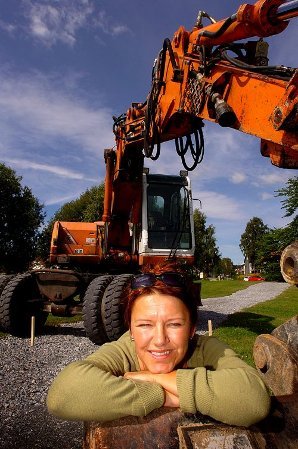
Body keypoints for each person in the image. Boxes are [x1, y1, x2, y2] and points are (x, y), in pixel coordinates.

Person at [46, 262, 270, 427]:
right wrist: (166, 395)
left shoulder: (205, 348)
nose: (160, 339)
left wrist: (155, 378)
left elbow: (254, 401)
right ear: (131, 330)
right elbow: (62, 394)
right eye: (145, 325)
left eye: (174, 324)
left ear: (192, 330)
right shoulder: (125, 349)